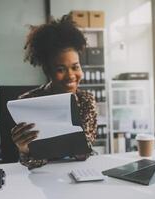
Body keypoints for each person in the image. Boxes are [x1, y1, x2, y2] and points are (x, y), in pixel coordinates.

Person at [11, 14, 97, 170]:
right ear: (47, 71)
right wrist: (24, 149)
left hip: (77, 174)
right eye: (60, 69)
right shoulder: (29, 103)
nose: (71, 75)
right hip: (39, 179)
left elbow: (83, 154)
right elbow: (33, 163)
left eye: (75, 67)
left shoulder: (86, 100)